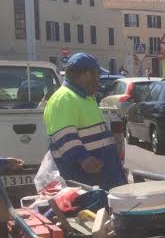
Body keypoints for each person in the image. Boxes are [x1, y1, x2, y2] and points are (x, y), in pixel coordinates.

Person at [43, 53, 127, 191]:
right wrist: (83, 159)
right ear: (85, 75)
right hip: (85, 180)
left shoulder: (84, 98)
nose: (98, 80)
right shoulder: (64, 99)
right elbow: (65, 138)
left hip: (103, 176)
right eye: (96, 75)